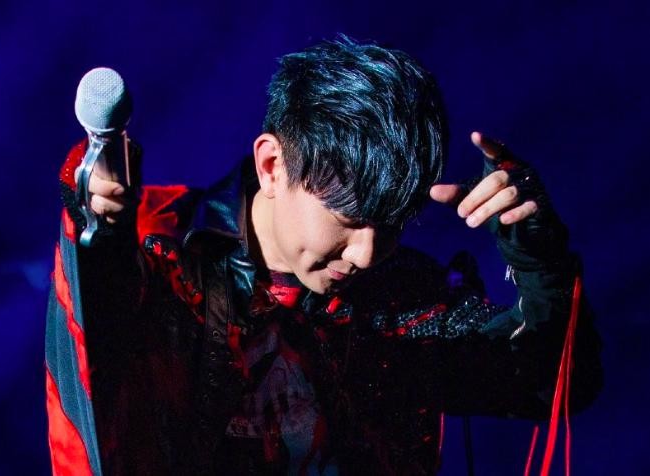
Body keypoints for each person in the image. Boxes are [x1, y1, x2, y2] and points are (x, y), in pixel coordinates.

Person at [45, 37, 602, 475]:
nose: (366, 253)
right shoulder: (164, 256)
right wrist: (100, 230)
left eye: (390, 226)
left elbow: (552, 384)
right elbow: (96, 351)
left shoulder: (399, 296)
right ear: (272, 166)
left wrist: (538, 257)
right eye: (350, 220)